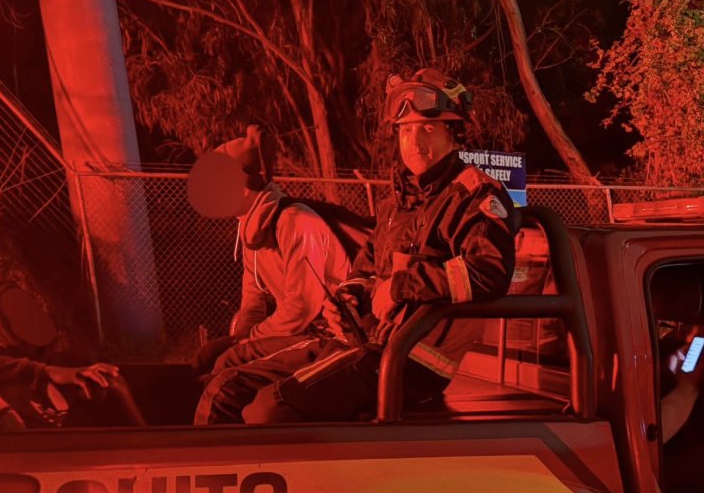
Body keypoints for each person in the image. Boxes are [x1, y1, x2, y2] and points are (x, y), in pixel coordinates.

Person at [194, 68, 517, 424]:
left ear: (454, 133)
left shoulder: (475, 196)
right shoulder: (395, 205)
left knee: (270, 409)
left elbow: (490, 271)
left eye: (427, 128)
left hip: (412, 361)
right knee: (227, 389)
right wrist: (349, 297)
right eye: (405, 130)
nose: (413, 140)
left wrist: (399, 286)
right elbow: (364, 270)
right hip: (366, 343)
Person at [187, 125, 353, 374]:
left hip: (329, 331)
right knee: (206, 359)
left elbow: (302, 308)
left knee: (229, 364)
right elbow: (253, 303)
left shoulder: (295, 221)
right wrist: (239, 338)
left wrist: (249, 341)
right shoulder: (250, 228)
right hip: (299, 330)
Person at [0, 279, 140, 427]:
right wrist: (45, 372)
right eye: (14, 311)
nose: (30, 316)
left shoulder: (69, 362)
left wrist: (118, 392)